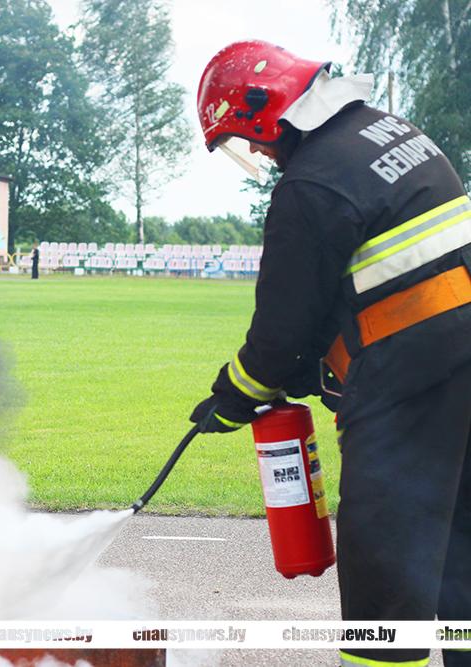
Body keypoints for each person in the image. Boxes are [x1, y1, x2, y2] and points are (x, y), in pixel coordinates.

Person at [191, 40, 471, 667]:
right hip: (459, 368)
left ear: (267, 111)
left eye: (249, 137)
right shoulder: (391, 133)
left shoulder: (311, 185)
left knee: (384, 577)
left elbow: (282, 329)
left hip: (407, 390)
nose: (259, 154)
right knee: (460, 554)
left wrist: (236, 394)